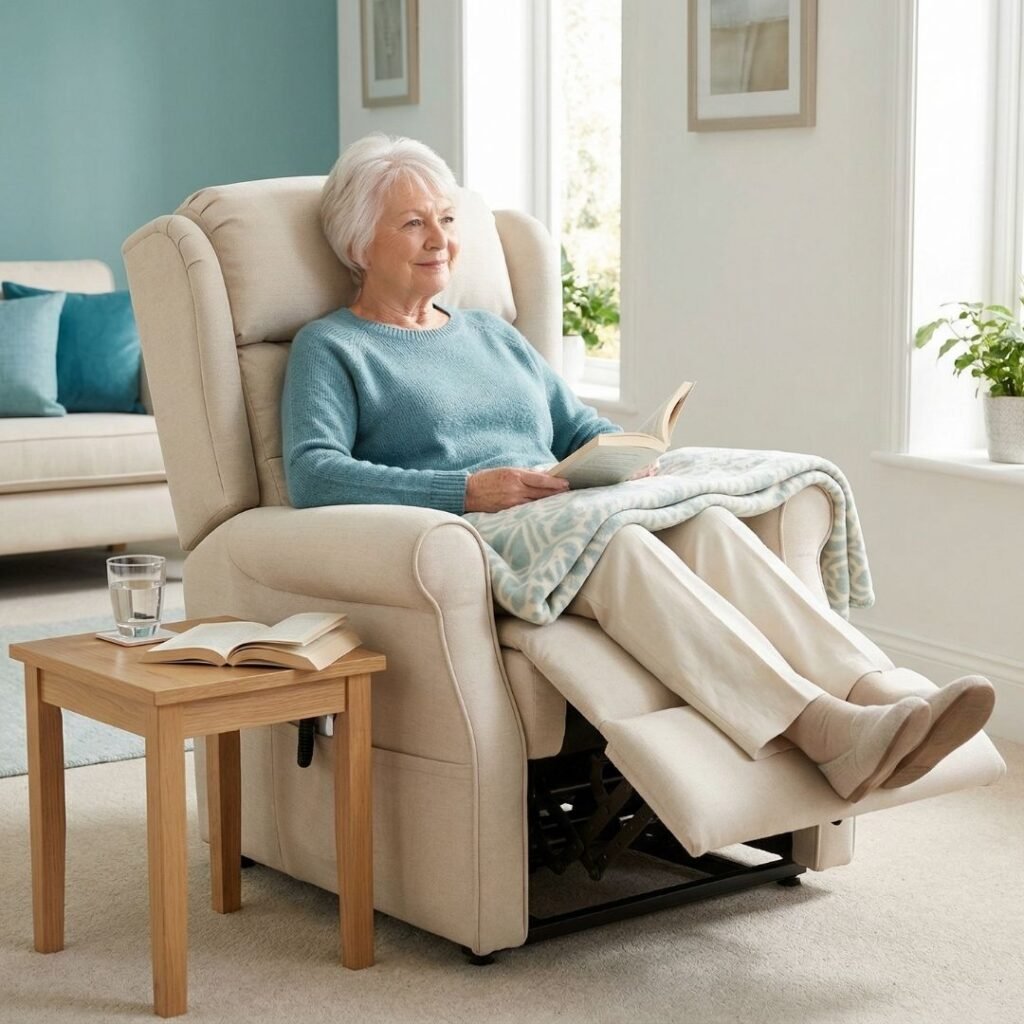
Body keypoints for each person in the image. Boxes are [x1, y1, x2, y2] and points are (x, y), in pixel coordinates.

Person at [281, 133, 994, 803]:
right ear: (356, 242)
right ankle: (823, 732)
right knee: (620, 546)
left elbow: (573, 422)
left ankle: (877, 696)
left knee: (708, 521)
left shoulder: (489, 332)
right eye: (413, 224)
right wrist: (466, 489)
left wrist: (627, 452)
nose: (441, 239)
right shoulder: (333, 348)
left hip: (565, 509)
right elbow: (314, 474)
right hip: (484, 535)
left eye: (445, 217)